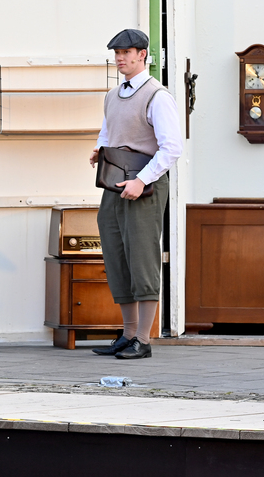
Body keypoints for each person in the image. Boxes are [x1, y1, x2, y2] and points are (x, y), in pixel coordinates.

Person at [89, 29, 182, 360]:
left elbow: (172, 148)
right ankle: (128, 335)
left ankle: (143, 339)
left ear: (142, 54)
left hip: (145, 185)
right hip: (114, 182)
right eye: (116, 53)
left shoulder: (158, 96)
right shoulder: (112, 95)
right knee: (116, 255)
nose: (120, 58)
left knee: (142, 258)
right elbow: (108, 131)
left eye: (126, 52)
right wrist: (100, 149)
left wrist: (141, 181)